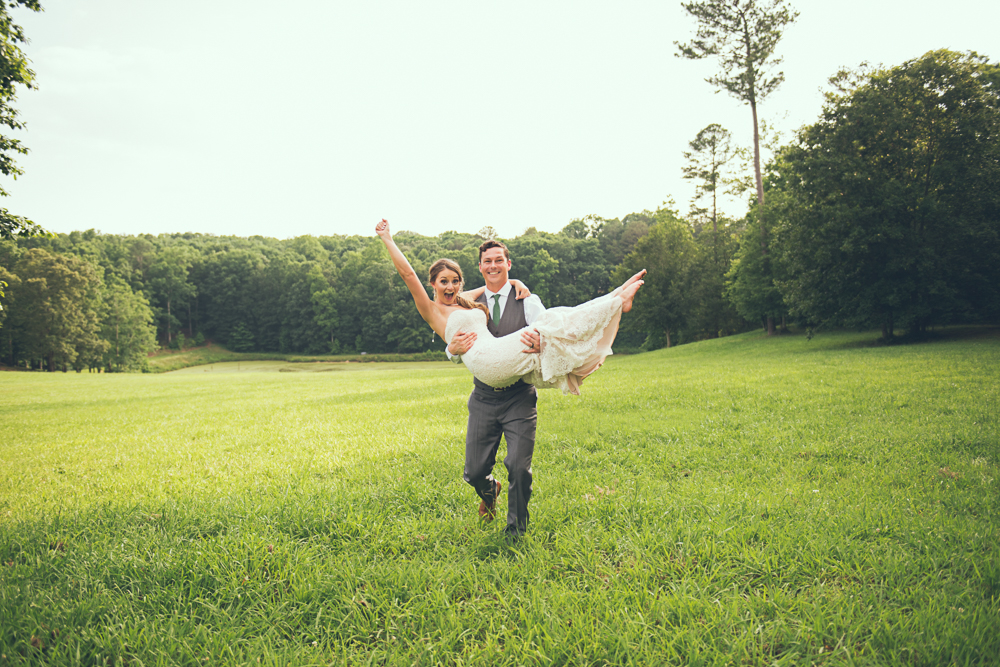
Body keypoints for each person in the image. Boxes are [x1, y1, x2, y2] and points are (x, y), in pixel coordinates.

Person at [375, 218, 643, 539]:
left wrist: (512, 281)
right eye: (443, 282)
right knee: (474, 472)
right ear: (432, 284)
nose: (449, 287)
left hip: (513, 384)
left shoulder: (469, 300)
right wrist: (388, 239)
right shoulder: (432, 310)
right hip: (488, 375)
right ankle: (613, 301)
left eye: (455, 281)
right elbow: (407, 274)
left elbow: (493, 286)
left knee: (547, 328)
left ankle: (516, 532)